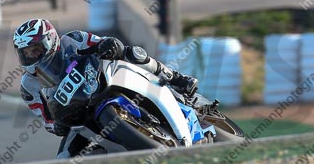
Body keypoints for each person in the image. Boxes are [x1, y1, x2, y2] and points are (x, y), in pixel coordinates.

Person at [13, 18, 199, 156]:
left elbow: (101, 42)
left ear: (50, 40)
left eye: (36, 49)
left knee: (132, 53)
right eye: (26, 54)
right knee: (63, 158)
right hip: (77, 115)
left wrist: (110, 45)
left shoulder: (73, 39)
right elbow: (45, 118)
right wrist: (56, 126)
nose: (32, 56)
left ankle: (176, 78)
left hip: (99, 80)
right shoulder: (28, 86)